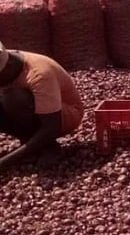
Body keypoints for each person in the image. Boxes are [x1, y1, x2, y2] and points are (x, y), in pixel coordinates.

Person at [0, 41, 84, 169]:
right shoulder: (6, 60)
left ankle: (49, 147)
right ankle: (30, 142)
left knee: (15, 98)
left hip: (62, 116)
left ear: (9, 65)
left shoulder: (39, 74)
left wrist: (4, 162)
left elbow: (51, 127)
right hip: (33, 111)